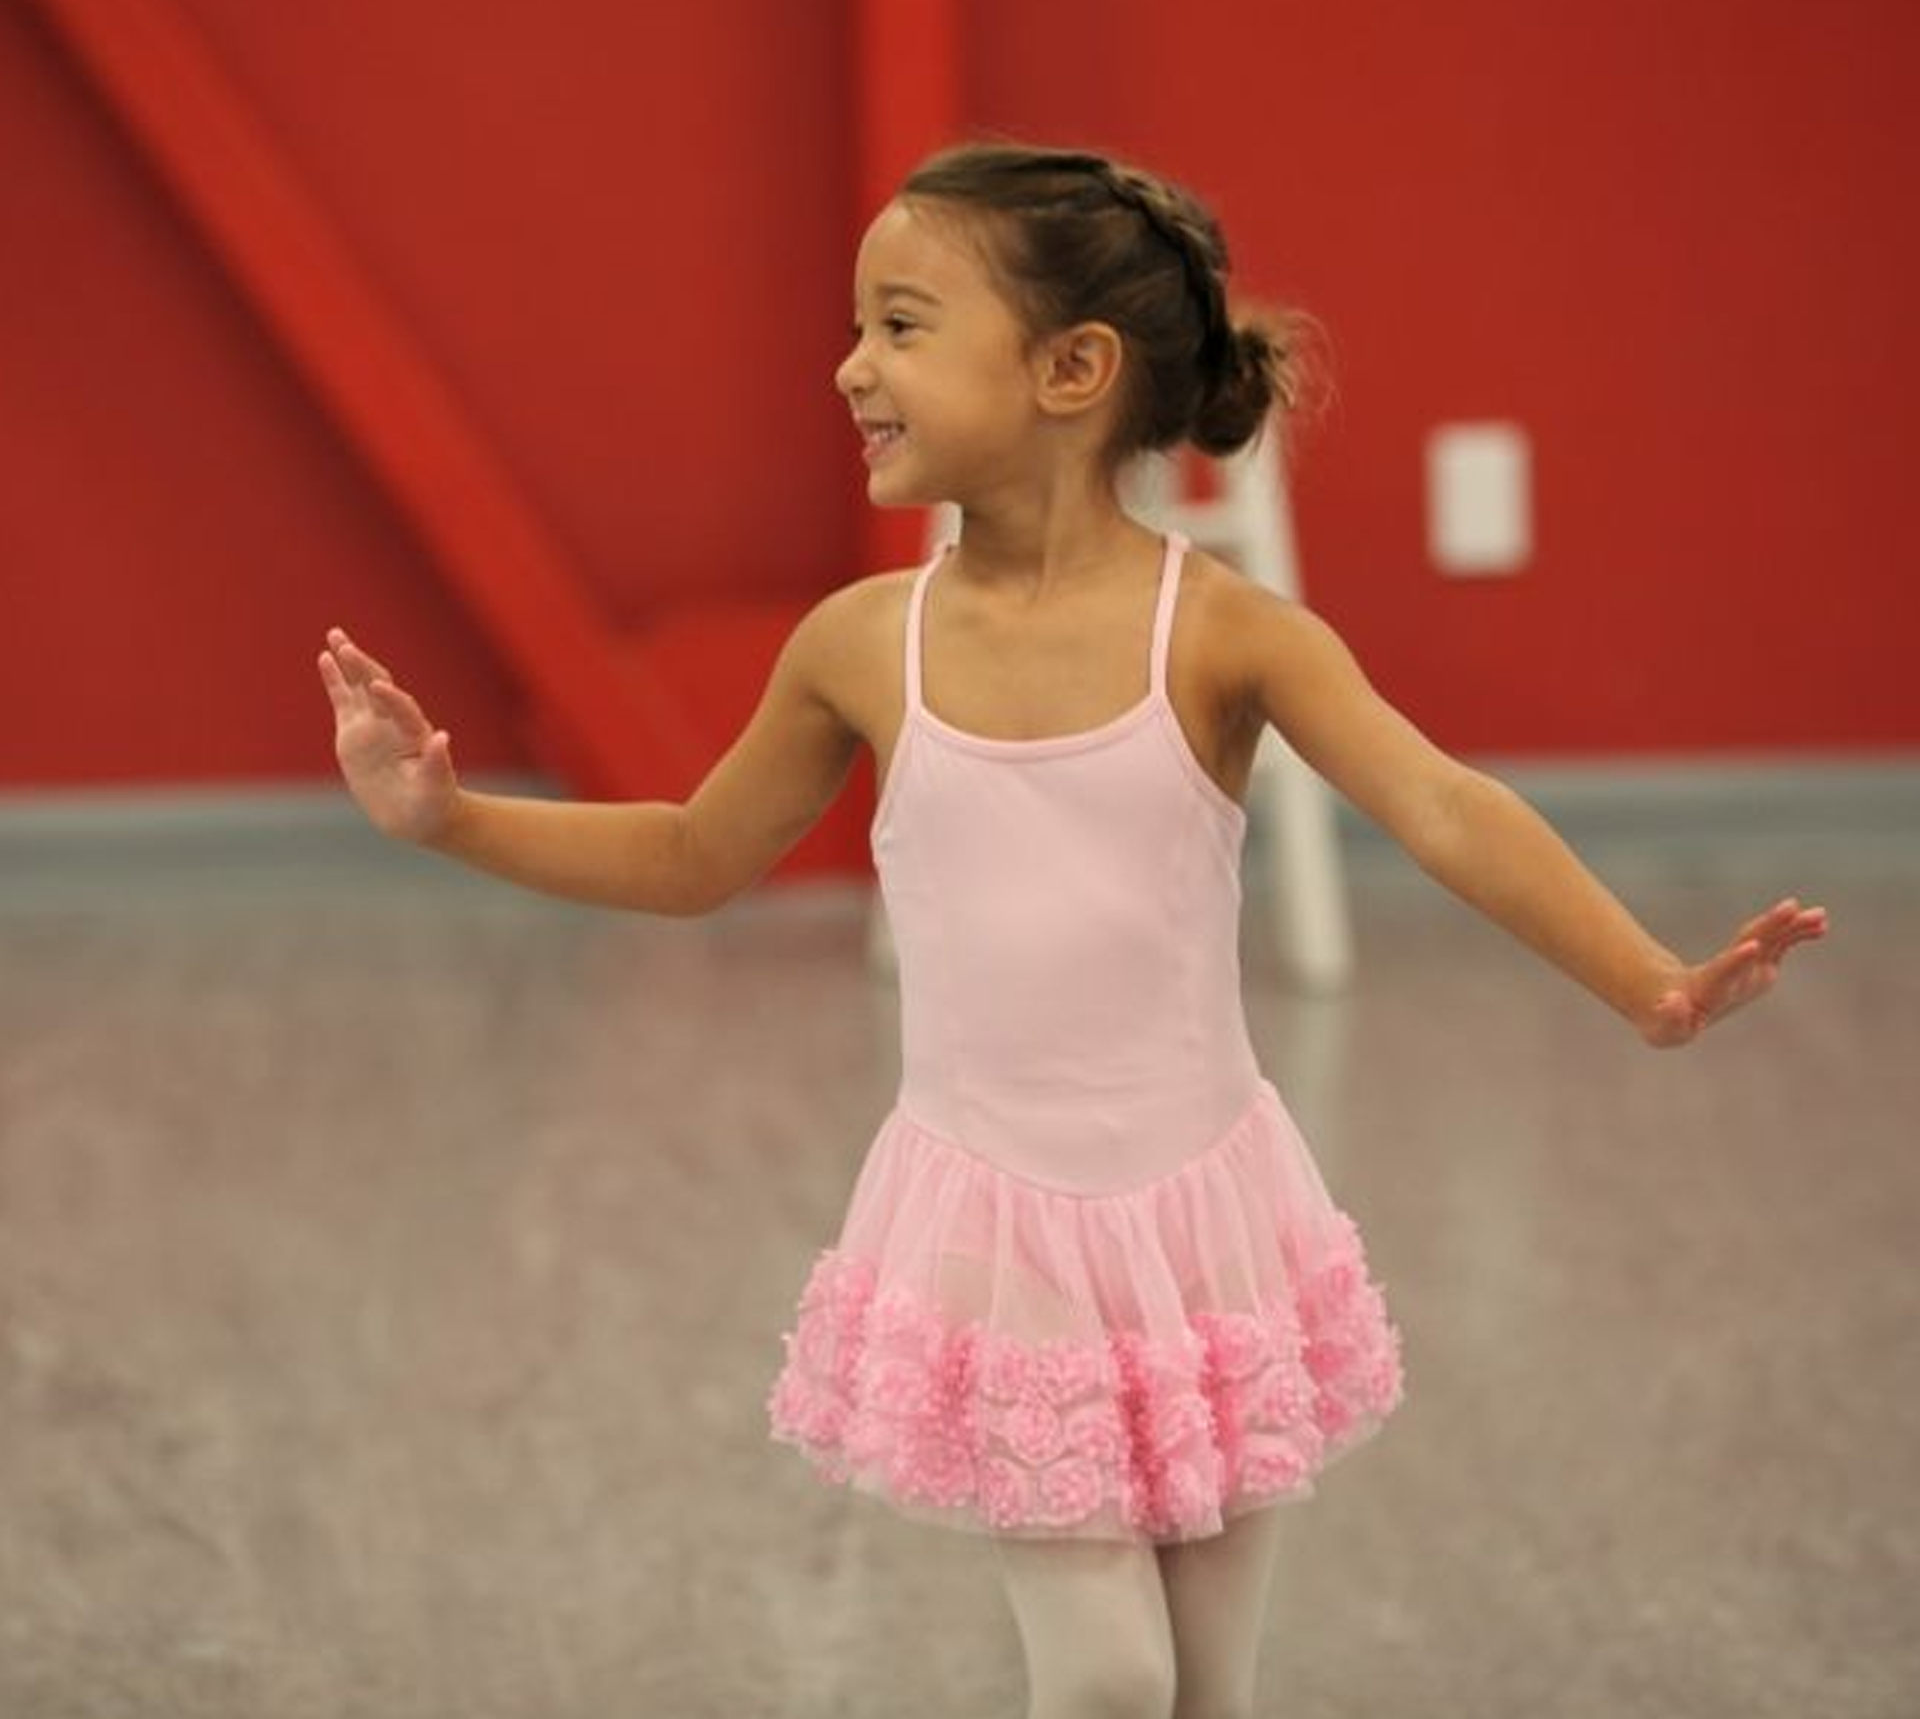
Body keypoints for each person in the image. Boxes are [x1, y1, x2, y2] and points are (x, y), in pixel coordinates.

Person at [318, 139, 1828, 1719]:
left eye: (902, 326)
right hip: (1001, 1232)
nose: (849, 367)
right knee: (1109, 1675)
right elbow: (697, 854)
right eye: (856, 327)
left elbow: (1441, 804)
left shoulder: (1228, 633)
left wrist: (1645, 980)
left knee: (1210, 1691)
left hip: (1210, 1222)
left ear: (1072, 369)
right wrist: (449, 819)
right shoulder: (861, 644)